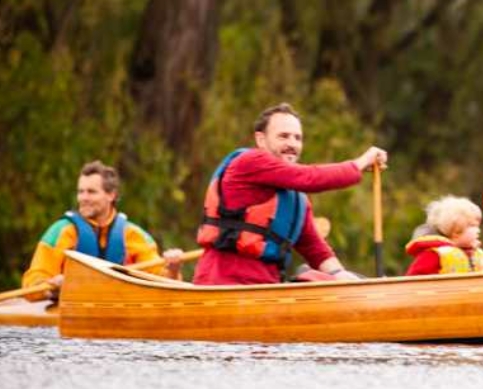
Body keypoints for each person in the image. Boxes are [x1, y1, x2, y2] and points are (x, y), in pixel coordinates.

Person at [193, 103, 388, 285]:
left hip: (266, 290)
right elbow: (311, 178)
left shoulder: (296, 199)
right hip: (224, 284)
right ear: (261, 139)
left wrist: (342, 276)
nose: (292, 144)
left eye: (297, 138)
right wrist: (362, 162)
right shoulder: (250, 162)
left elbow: (315, 248)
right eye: (283, 136)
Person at [22, 160, 184, 300]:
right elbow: (32, 282)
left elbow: (163, 285)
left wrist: (173, 270)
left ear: (111, 195)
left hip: (118, 310)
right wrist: (49, 288)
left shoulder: (135, 236)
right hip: (66, 310)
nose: (83, 198)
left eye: (91, 192)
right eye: (80, 192)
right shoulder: (60, 232)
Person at [404, 196, 483, 275]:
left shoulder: (479, 255)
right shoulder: (435, 255)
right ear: (456, 231)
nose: (478, 230)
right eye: (473, 226)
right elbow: (412, 282)